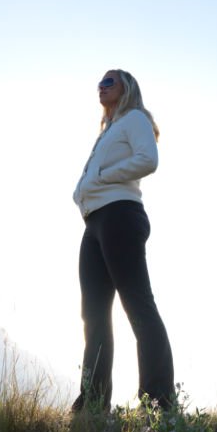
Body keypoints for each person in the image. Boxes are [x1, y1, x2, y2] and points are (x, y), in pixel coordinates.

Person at [70, 69, 176, 412]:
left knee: (138, 306)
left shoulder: (134, 119)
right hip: (95, 222)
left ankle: (159, 403)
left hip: (120, 216)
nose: (100, 87)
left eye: (109, 81)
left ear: (126, 87)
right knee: (94, 315)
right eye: (99, 82)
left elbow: (149, 159)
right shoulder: (109, 130)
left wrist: (101, 176)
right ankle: (93, 403)